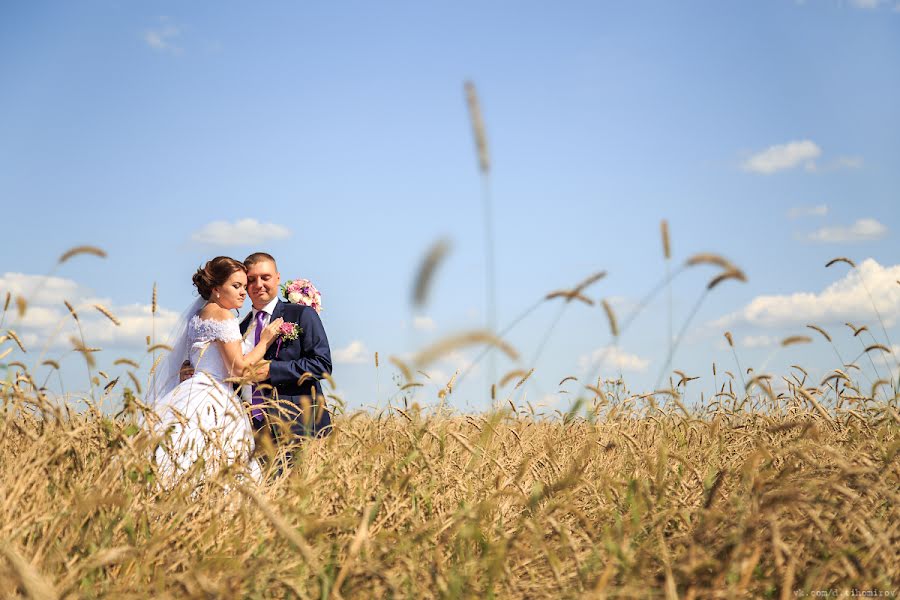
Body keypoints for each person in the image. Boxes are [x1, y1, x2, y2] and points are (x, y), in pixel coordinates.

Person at [147, 256, 283, 482]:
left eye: (243, 285)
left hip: (190, 393)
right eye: (236, 286)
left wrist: (186, 368)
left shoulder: (198, 316)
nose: (243, 292)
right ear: (217, 289)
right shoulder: (224, 316)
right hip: (215, 398)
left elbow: (193, 359)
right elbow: (238, 370)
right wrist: (264, 341)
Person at [240, 252, 333, 464]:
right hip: (253, 429)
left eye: (265, 277)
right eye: (252, 279)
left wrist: (272, 370)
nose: (259, 284)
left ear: (278, 278)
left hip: (299, 424)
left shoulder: (301, 315)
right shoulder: (240, 328)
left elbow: (322, 364)